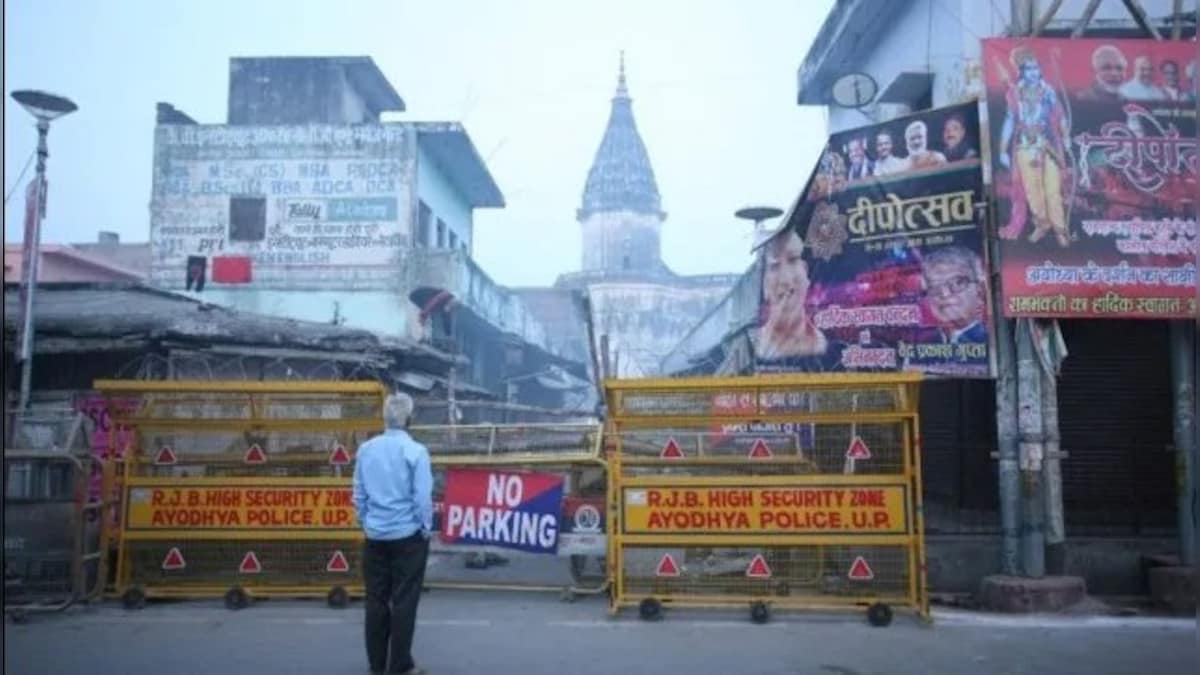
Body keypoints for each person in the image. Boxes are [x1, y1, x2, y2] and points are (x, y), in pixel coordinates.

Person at [353, 393, 434, 675]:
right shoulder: (416, 452)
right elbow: (422, 499)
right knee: (404, 602)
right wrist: (425, 529)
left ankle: (376, 667)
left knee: (375, 601)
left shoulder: (366, 450)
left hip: (374, 538)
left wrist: (368, 523)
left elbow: (359, 494)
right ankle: (399, 666)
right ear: (410, 420)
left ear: (384, 419)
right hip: (407, 539)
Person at [998, 47, 1071, 248]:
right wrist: (1002, 150)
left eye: (1036, 68)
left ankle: (1060, 230)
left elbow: (1061, 117)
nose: (1033, 72)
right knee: (1032, 192)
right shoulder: (1014, 93)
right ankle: (1042, 223)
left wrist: (1065, 138)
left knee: (1052, 190)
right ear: (1021, 71)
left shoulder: (1048, 91)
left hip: (1048, 146)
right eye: (1028, 69)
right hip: (1024, 146)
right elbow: (1010, 120)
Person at [755, 226, 843, 370]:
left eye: (793, 260)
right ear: (763, 285)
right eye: (774, 266)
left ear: (806, 273)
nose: (786, 279)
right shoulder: (755, 348)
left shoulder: (827, 345)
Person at [920, 246, 987, 345]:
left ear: (979, 290)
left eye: (958, 283)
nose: (945, 294)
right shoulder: (920, 347)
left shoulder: (993, 341)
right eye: (934, 286)